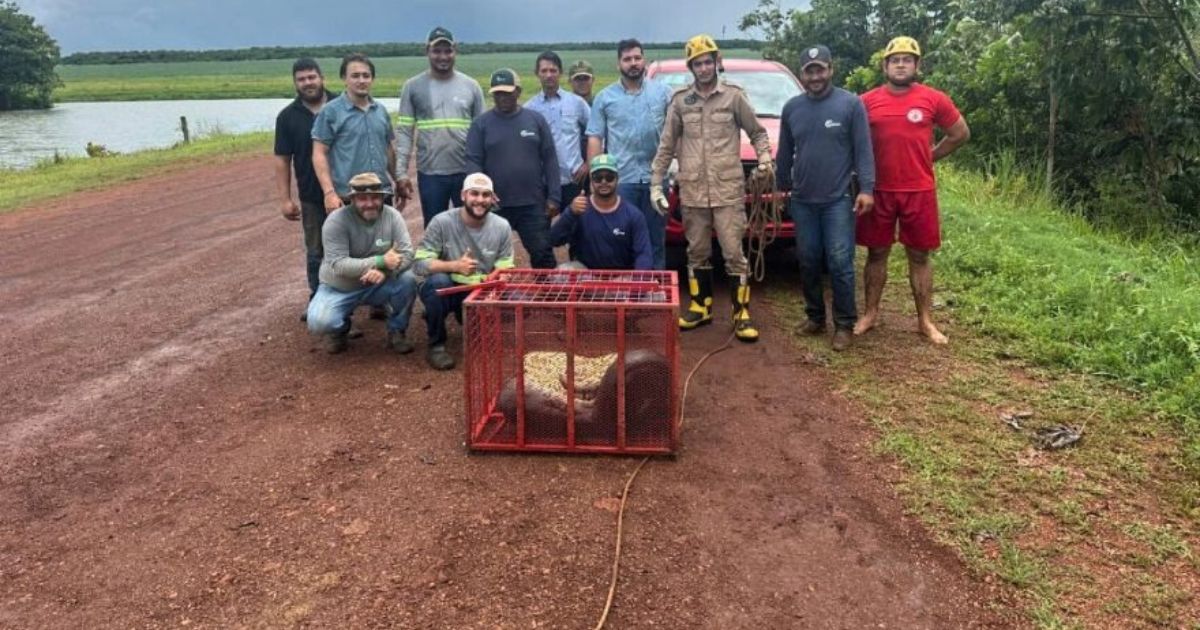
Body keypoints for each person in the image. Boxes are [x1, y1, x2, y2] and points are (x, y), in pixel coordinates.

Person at [649, 35, 773, 342]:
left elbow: (757, 133)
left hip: (728, 190)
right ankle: (700, 307)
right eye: (697, 63)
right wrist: (655, 184)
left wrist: (765, 159)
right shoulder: (680, 101)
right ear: (690, 67)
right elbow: (666, 146)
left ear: (717, 62)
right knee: (697, 252)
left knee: (734, 253)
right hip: (692, 191)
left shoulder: (733, 97)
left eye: (708, 61)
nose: (704, 68)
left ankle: (740, 312)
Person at [856, 36, 970, 344]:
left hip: (918, 190)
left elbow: (960, 133)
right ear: (885, 66)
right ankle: (870, 314)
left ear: (917, 65)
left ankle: (925, 321)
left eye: (908, 59)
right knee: (876, 252)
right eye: (895, 60)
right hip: (878, 190)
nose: (901, 64)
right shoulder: (866, 101)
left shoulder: (934, 99)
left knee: (919, 255)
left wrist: (930, 156)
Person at [776, 45, 876, 351]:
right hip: (803, 199)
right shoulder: (792, 108)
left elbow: (863, 150)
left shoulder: (850, 104)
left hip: (837, 200)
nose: (815, 76)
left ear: (830, 69)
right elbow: (784, 153)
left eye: (820, 69)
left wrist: (867, 189)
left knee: (840, 262)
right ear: (802, 73)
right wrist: (781, 189)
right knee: (808, 260)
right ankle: (815, 317)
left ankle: (844, 324)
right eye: (810, 70)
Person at [306, 173, 418, 354]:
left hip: (379, 283)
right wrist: (380, 261)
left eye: (375, 197)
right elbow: (339, 264)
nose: (369, 203)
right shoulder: (336, 221)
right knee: (319, 322)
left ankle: (397, 330)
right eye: (362, 198)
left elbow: (407, 253)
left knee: (409, 280)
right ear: (352, 199)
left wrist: (384, 271)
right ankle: (340, 329)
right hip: (340, 286)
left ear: (382, 197)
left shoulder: (393, 217)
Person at [586, 38, 673, 270]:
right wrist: (595, 178)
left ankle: (656, 295)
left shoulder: (663, 93)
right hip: (622, 181)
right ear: (619, 64)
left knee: (656, 240)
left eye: (637, 58)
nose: (633, 63)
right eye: (627, 59)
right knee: (620, 239)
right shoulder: (605, 98)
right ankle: (625, 296)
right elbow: (595, 136)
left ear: (643, 60)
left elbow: (677, 133)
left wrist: (679, 169)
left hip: (656, 180)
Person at [414, 173, 515, 370]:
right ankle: (436, 345)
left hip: (479, 289)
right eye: (474, 194)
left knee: (513, 300)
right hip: (449, 286)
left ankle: (465, 316)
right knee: (438, 283)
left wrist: (497, 284)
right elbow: (419, 263)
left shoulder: (501, 226)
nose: (480, 200)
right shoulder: (441, 222)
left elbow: (505, 267)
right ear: (463, 195)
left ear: (492, 198)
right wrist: (454, 266)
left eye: (486, 195)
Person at [464, 68, 560, 270]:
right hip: (495, 205)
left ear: (518, 91)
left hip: (532, 203)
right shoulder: (481, 125)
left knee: (542, 253)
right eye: (497, 93)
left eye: (507, 92)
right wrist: (483, 194)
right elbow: (473, 162)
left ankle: (547, 299)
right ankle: (495, 299)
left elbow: (550, 159)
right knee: (491, 258)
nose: (502, 97)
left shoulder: (536, 120)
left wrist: (554, 197)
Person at [394, 27, 486, 227]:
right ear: (427, 51)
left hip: (466, 172)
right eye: (437, 51)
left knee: (471, 227)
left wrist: (482, 172)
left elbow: (483, 134)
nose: (443, 56)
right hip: (431, 174)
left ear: (456, 51)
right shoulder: (413, 86)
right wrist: (400, 174)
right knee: (436, 230)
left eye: (448, 51)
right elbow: (404, 133)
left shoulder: (472, 86)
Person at [274, 58, 336, 318]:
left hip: (346, 192)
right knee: (316, 251)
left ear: (322, 77)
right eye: (302, 79)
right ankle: (317, 298)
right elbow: (282, 160)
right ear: (295, 83)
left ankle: (371, 299)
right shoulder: (287, 117)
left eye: (312, 77)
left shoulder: (341, 105)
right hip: (311, 195)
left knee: (358, 247)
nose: (308, 83)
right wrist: (285, 199)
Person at [312, 53, 396, 212]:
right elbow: (319, 153)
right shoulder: (331, 112)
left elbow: (388, 149)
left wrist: (398, 180)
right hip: (348, 198)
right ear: (344, 78)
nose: (361, 80)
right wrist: (329, 193)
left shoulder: (381, 111)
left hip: (381, 196)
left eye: (366, 75)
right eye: (355, 76)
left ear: (372, 78)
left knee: (384, 238)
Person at [552, 154, 652, 270]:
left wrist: (637, 281)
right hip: (586, 275)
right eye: (598, 178)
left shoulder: (633, 215)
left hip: (622, 278)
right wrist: (570, 213)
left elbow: (643, 254)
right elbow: (554, 240)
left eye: (609, 177)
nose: (604, 182)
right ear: (591, 180)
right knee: (562, 273)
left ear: (617, 179)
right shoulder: (579, 209)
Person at [525, 51, 590, 210]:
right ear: (537, 73)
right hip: (543, 182)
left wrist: (588, 164)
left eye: (553, 70)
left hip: (573, 179)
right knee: (545, 229)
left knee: (577, 229)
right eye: (544, 71)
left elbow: (596, 132)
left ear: (560, 73)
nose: (549, 75)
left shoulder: (576, 103)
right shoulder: (529, 109)